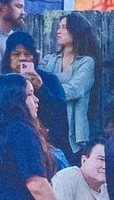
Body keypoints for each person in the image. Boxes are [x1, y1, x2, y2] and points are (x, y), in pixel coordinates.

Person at [4, 31, 70, 159]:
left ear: (34, 58)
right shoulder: (3, 82)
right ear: (8, 58)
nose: (22, 58)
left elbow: (60, 113)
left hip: (48, 146)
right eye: (16, 54)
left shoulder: (49, 80)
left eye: (27, 54)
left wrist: (41, 88)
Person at [41, 13, 100, 154]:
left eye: (64, 27)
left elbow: (74, 90)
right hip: (49, 124)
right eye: (58, 27)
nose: (58, 31)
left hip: (71, 130)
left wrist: (45, 88)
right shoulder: (49, 59)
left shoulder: (86, 62)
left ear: (76, 30)